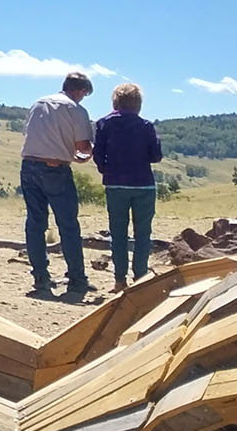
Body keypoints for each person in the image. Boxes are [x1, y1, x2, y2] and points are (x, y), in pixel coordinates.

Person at [19, 72, 95, 297]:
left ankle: (41, 277)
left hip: (29, 166)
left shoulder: (38, 103)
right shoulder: (75, 109)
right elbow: (82, 145)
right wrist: (86, 152)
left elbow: (28, 133)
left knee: (35, 222)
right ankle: (76, 279)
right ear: (81, 91)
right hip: (56, 169)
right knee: (68, 225)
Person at [93, 82, 164, 292]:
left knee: (118, 233)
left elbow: (98, 155)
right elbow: (156, 156)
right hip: (143, 184)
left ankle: (119, 279)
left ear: (115, 102)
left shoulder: (104, 124)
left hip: (115, 185)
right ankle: (140, 277)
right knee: (143, 233)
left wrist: (106, 170)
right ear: (138, 104)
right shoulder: (146, 126)